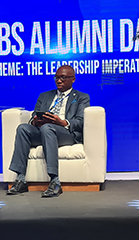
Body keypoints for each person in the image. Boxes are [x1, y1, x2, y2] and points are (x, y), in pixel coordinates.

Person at [7, 65, 90, 198]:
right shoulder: (44, 96)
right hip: (44, 130)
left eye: (63, 78)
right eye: (57, 77)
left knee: (48, 128)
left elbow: (80, 121)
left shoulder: (81, 97)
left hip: (66, 133)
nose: (59, 81)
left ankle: (55, 181)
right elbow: (35, 114)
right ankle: (21, 179)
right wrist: (35, 121)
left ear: (73, 79)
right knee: (23, 128)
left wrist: (62, 122)